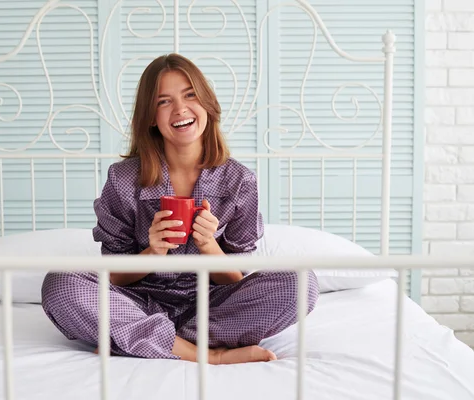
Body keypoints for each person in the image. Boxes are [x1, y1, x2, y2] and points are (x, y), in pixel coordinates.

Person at [41, 54, 319, 365]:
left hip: (212, 307)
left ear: (206, 103)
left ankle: (139, 340)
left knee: (301, 281)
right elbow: (115, 277)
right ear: (150, 116)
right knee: (61, 282)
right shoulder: (122, 180)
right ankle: (207, 354)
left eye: (190, 95)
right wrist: (152, 252)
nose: (180, 109)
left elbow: (236, 278)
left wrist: (208, 245)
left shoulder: (240, 180)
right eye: (163, 101)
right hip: (136, 303)